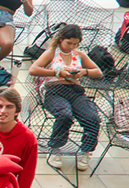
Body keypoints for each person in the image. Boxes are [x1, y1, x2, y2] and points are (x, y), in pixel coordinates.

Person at [29, 24, 102, 171]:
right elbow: (33, 69)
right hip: (55, 90)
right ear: (61, 39)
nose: (71, 47)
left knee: (93, 118)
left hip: (75, 91)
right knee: (64, 114)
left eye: (75, 44)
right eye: (69, 43)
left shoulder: (79, 55)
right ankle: (55, 148)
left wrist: (83, 72)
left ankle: (85, 151)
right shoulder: (52, 53)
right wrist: (56, 73)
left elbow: (98, 72)